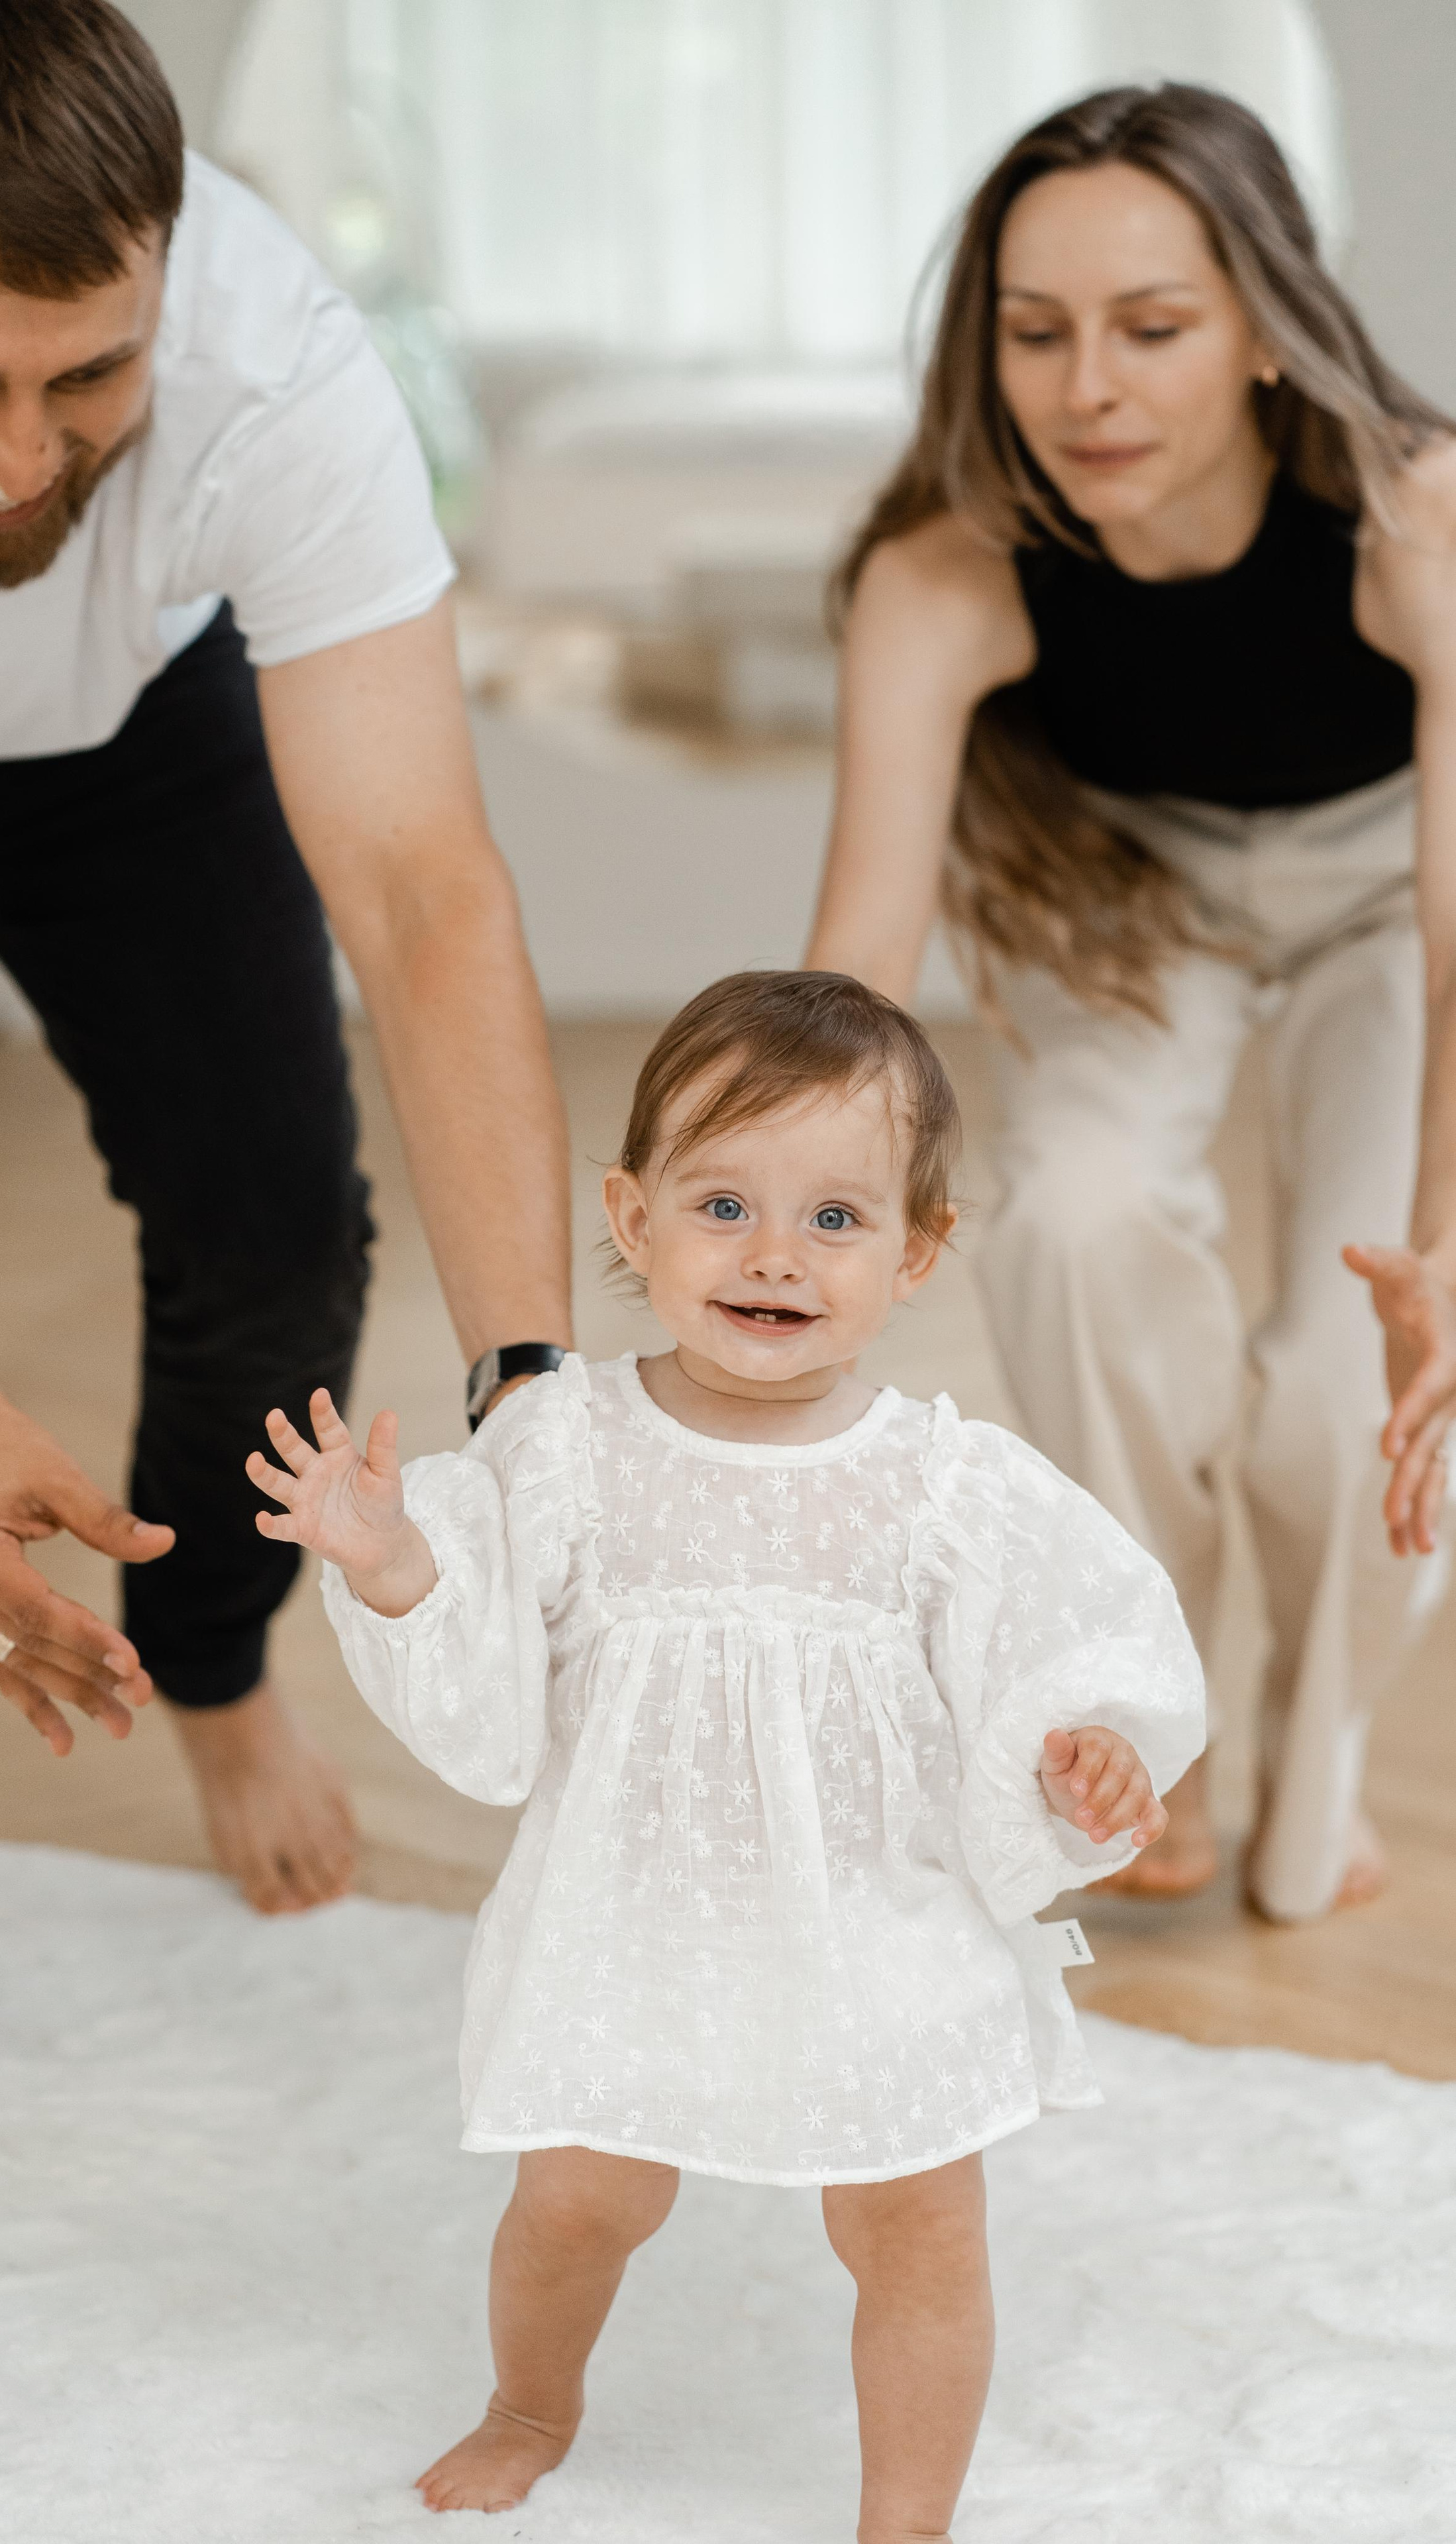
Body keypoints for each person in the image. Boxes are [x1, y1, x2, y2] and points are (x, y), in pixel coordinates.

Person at [0, 0, 572, 2149]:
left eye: (86, 377)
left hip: (119, 717)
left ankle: (214, 1654)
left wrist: (540, 1393)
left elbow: (422, 893)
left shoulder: (273, 350)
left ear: (167, 280)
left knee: (277, 1222)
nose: (22, 453)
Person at [250, 971, 1204, 2535]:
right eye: (721, 1203)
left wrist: (1089, 1753)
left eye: (836, 1218)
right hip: (633, 1918)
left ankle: (906, 2515)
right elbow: (485, 1694)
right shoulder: (559, 1447)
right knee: (576, 2203)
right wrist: (393, 1563)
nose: (774, 1253)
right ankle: (525, 2400)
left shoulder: (951, 1487)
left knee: (917, 2232)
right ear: (629, 1221)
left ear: (916, 1250)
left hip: (880, 1927)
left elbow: (1075, 1651)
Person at [806, 82, 1456, 1925]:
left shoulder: (1422, 520)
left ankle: (1313, 1769)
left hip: (1393, 896)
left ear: (1263, 328)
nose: (1089, 386)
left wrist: (1445, 1246)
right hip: (1134, 895)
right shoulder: (947, 570)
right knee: (1068, 1224)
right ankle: (1141, 1723)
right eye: (1037, 332)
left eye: (1153, 329)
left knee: (1360, 1382)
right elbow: (854, 962)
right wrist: (775, 1246)